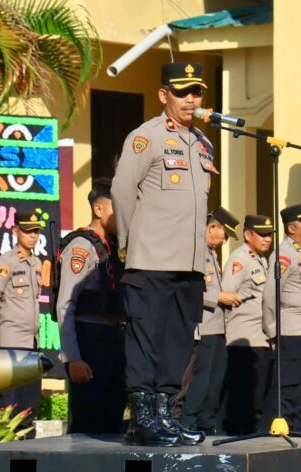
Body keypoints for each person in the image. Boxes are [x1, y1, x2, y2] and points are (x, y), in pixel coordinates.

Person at [111, 62, 214, 447]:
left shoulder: (202, 143)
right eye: (181, 92)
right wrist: (129, 242)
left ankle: (165, 417)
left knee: (178, 342)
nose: (190, 99)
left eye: (196, 92)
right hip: (151, 259)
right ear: (163, 95)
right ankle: (142, 420)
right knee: (146, 340)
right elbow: (122, 191)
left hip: (189, 265)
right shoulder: (146, 137)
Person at [56, 178, 127, 434]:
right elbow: (65, 304)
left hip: (114, 340)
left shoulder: (114, 248)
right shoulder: (82, 247)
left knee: (113, 421)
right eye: (118, 208)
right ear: (99, 209)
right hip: (90, 342)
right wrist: (73, 358)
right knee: (88, 422)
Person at [181, 207, 242, 435]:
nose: (225, 241)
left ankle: (206, 421)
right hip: (203, 324)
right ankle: (188, 421)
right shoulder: (195, 250)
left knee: (216, 377)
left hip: (217, 325)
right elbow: (189, 288)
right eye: (225, 235)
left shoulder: (211, 254)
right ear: (212, 227)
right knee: (201, 377)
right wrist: (219, 297)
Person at [262, 204, 301, 433]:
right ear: (291, 229)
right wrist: (272, 330)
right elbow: (271, 294)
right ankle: (280, 434)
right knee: (288, 387)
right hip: (292, 331)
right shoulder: (284, 254)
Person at [0, 209, 45, 433]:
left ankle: (27, 444)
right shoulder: (5, 262)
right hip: (11, 341)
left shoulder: (36, 263)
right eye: (28, 231)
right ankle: (3, 445)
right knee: (8, 403)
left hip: (32, 342)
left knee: (28, 401)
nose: (33, 235)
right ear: (15, 231)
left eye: (36, 231)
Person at [222, 215, 274, 435]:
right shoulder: (239, 259)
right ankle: (238, 436)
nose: (267, 238)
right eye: (262, 234)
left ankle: (251, 435)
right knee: (243, 396)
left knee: (257, 396)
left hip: (260, 337)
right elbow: (226, 294)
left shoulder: (261, 259)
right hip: (243, 339)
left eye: (269, 234)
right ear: (247, 235)